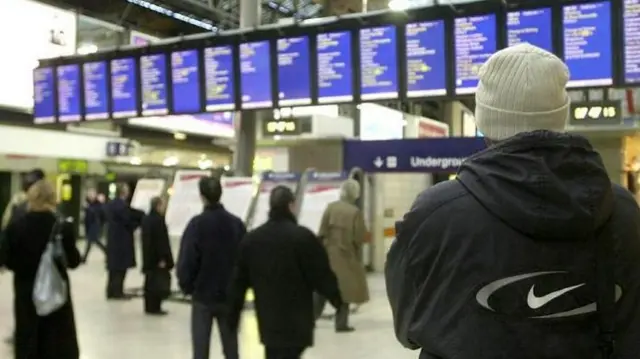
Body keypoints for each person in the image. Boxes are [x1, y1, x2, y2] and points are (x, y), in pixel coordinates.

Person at [385, 43, 640, 358]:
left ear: (484, 118)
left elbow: (409, 326)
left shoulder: (436, 214)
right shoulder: (624, 211)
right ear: (561, 116)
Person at [228, 186, 343, 359]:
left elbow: (239, 281)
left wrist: (232, 315)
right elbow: (321, 274)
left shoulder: (253, 240)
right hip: (298, 320)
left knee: (274, 353)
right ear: (291, 206)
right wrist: (337, 299)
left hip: (269, 318)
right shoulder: (303, 237)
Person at [0, 179, 81, 359]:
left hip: (26, 290)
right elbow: (74, 261)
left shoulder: (16, 226)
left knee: (28, 335)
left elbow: (4, 258)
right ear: (53, 199)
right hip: (56, 292)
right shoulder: (62, 227)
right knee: (56, 338)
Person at [177, 176, 245, 359]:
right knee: (231, 349)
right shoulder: (236, 224)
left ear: (202, 196)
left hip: (203, 295)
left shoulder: (196, 224)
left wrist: (187, 285)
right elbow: (244, 259)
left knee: (200, 349)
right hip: (229, 295)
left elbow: (188, 259)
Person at [314, 179, 369, 332]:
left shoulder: (330, 208)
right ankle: (341, 323)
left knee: (322, 290)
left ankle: (311, 318)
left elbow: (322, 231)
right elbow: (359, 237)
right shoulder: (355, 212)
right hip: (347, 256)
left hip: (328, 254)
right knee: (345, 292)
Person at [104, 183, 144, 300]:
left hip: (113, 239)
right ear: (123, 192)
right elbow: (128, 221)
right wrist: (138, 224)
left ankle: (111, 291)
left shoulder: (111, 204)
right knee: (120, 268)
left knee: (113, 268)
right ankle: (117, 291)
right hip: (122, 240)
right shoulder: (121, 206)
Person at [141, 196, 174, 315]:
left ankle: (148, 306)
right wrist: (163, 257)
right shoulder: (158, 220)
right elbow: (161, 241)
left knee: (149, 282)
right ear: (158, 205)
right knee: (157, 282)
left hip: (148, 256)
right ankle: (155, 307)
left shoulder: (146, 219)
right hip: (157, 258)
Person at [81, 188, 106, 263]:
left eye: (92, 194)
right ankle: (107, 252)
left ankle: (84, 258)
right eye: (89, 194)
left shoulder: (97, 204)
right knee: (95, 241)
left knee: (92, 241)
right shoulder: (88, 203)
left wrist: (88, 208)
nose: (90, 196)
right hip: (89, 225)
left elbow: (98, 214)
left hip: (95, 225)